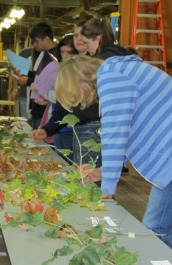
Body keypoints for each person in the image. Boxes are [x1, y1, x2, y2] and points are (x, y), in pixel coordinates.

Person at [55, 53, 172, 249]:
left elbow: (115, 132)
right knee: (159, 226)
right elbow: (128, 131)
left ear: (82, 84)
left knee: (155, 229)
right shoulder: (117, 72)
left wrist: (107, 188)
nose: (83, 101)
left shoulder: (110, 77)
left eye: (76, 95)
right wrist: (103, 171)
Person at [32, 19, 127, 167]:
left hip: (94, 128)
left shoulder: (102, 63)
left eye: (83, 39)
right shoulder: (90, 62)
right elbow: (66, 103)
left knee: (91, 179)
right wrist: (48, 129)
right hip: (85, 128)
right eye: (76, 36)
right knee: (84, 177)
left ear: (97, 38)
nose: (80, 42)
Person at [31, 35, 76, 163]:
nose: (65, 55)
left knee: (69, 163)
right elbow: (60, 99)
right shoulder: (62, 70)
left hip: (69, 128)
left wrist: (42, 92)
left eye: (69, 52)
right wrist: (48, 101)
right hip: (57, 123)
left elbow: (64, 98)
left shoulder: (76, 74)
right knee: (59, 162)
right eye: (62, 52)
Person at [15, 23, 57, 130]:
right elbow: (41, 77)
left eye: (36, 41)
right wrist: (26, 74)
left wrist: (28, 81)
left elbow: (48, 83)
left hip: (46, 108)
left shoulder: (55, 56)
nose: (34, 45)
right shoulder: (44, 54)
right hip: (37, 106)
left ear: (46, 39)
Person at [12, 47, 33, 119]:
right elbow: (15, 72)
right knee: (25, 120)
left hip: (38, 96)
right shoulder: (25, 52)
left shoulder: (45, 53)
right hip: (24, 94)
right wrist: (15, 89)